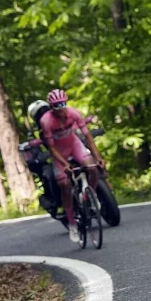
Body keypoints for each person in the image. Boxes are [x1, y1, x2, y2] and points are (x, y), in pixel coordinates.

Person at [39, 89, 105, 244]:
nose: (60, 108)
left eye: (62, 104)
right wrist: (65, 164)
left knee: (92, 168)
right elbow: (51, 148)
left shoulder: (73, 113)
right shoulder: (46, 121)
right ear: (51, 107)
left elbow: (87, 136)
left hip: (74, 144)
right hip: (59, 151)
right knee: (64, 184)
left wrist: (98, 157)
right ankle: (72, 224)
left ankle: (91, 196)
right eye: (56, 106)